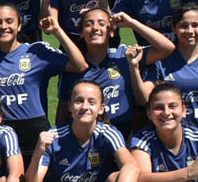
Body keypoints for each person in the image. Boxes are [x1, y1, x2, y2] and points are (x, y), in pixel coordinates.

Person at [0, 2, 87, 159]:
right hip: (2, 130)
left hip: (35, 129)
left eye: (9, 21)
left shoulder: (37, 52)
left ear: (19, 25)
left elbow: (80, 65)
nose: (3, 26)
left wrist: (57, 31)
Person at [56, 9, 174, 138]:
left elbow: (167, 48)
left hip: (124, 135)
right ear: (82, 33)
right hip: (86, 138)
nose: (95, 28)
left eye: (101, 24)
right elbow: (63, 111)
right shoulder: (74, 67)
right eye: (88, 24)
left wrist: (132, 23)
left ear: (112, 32)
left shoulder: (123, 55)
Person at [128, 3, 198, 146]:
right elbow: (144, 99)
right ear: (173, 28)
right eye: (183, 26)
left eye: (196, 25)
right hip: (167, 137)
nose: (190, 31)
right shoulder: (160, 61)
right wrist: (133, 67)